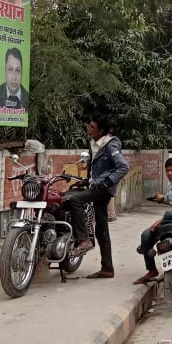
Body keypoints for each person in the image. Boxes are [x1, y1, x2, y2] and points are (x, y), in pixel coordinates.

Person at [62, 118, 130, 278]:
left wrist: (107, 182)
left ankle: (83, 239)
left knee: (75, 200)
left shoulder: (110, 145)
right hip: (96, 186)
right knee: (101, 229)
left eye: (92, 127)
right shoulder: (94, 143)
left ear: (101, 131)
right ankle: (107, 268)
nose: (88, 129)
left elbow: (123, 167)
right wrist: (87, 181)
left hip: (103, 189)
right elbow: (94, 167)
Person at [134, 157, 172, 284]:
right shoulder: (171, 183)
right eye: (167, 171)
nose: (169, 173)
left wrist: (161, 220)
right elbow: (171, 198)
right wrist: (163, 198)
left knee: (168, 214)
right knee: (145, 235)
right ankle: (152, 269)